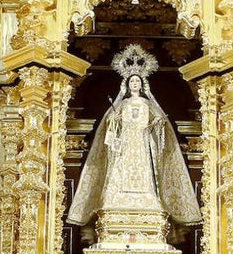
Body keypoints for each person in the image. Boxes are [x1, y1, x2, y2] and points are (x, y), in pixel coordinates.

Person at [67, 72, 201, 232]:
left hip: (142, 143)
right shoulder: (123, 104)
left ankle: (148, 198)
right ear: (127, 85)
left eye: (137, 81)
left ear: (142, 85)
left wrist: (158, 122)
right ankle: (116, 199)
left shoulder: (147, 104)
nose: (135, 83)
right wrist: (114, 119)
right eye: (132, 81)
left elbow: (159, 122)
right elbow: (110, 123)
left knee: (144, 169)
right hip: (125, 143)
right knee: (121, 167)